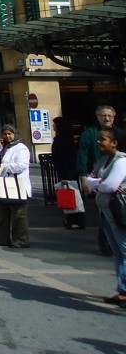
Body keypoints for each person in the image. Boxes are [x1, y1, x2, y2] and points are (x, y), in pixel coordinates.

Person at [83, 126, 126, 306]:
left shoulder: (121, 161)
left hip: (120, 214)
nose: (99, 142)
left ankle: (124, 291)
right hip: (106, 213)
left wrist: (97, 183)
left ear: (114, 143)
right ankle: (122, 289)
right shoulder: (103, 161)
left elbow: (109, 185)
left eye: (103, 139)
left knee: (124, 251)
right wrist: (100, 182)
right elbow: (88, 182)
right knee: (116, 252)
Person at [79, 106, 117, 255]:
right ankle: (106, 243)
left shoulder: (120, 133)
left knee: (118, 210)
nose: (107, 118)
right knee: (104, 211)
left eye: (109, 116)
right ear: (98, 117)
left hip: (118, 178)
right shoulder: (89, 134)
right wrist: (83, 176)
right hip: (99, 177)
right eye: (103, 116)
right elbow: (82, 155)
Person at [0, 124, 32, 248]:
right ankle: (1, 237)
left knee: (19, 215)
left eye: (10, 134)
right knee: (2, 213)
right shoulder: (4, 147)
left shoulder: (21, 148)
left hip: (17, 185)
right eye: (5, 134)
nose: (7, 136)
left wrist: (3, 167)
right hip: (3, 185)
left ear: (14, 134)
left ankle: (21, 240)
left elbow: (21, 165)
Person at [50, 116, 85, 229]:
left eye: (55, 124)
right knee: (69, 196)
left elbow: (65, 157)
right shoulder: (63, 137)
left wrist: (65, 174)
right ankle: (71, 219)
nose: (53, 126)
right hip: (65, 170)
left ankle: (77, 220)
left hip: (67, 171)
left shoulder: (63, 139)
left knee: (73, 196)